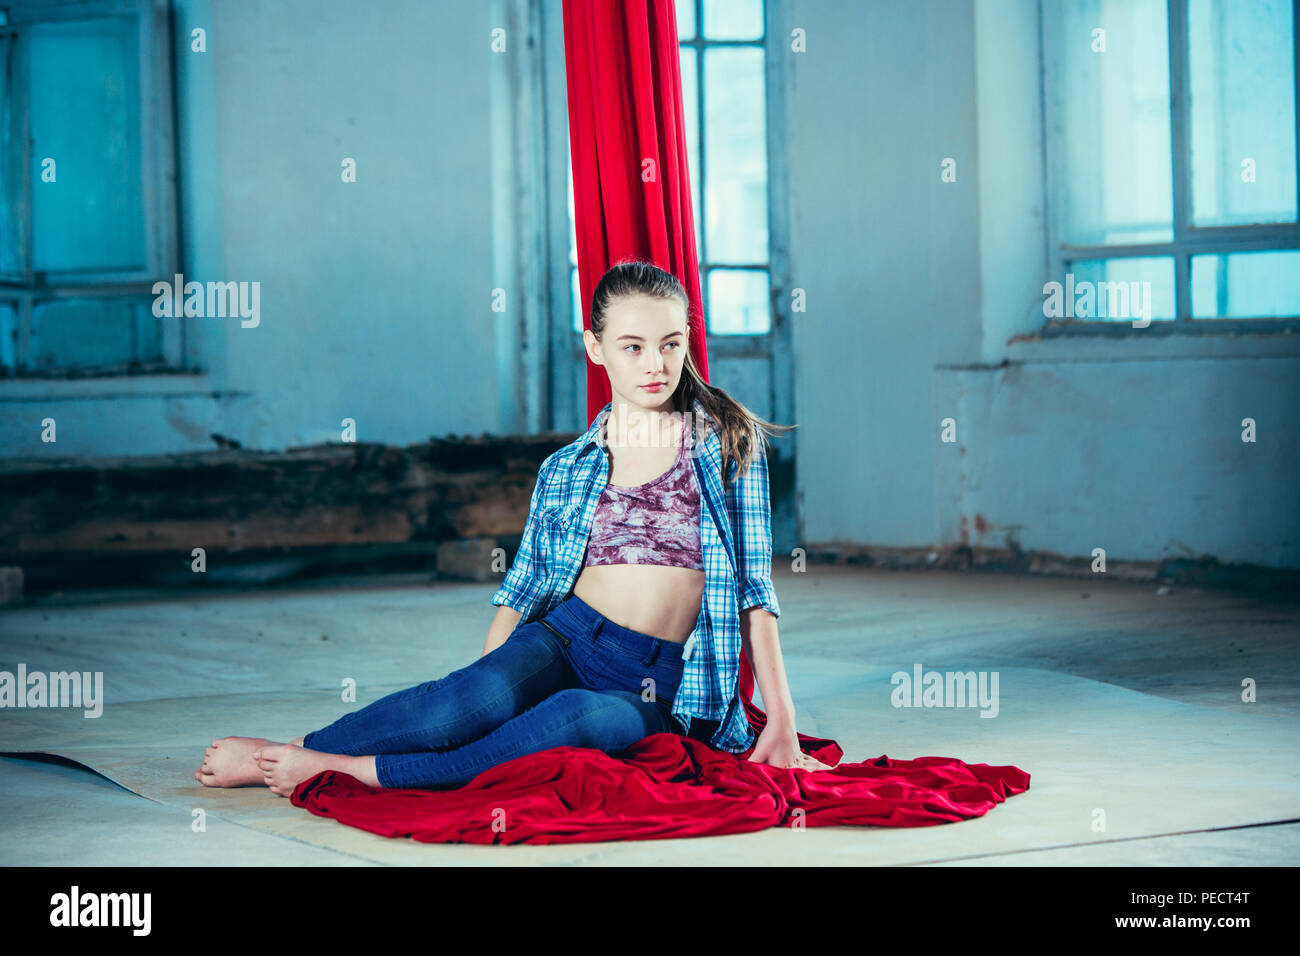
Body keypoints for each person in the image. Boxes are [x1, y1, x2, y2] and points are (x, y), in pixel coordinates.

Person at [196, 259, 831, 795]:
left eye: (670, 343)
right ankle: (292, 752)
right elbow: (523, 587)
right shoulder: (568, 466)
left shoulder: (727, 443)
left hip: (657, 681)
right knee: (464, 705)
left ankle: (351, 772)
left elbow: (754, 591)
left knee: (565, 722)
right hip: (566, 636)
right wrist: (483, 694)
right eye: (632, 347)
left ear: (688, 340)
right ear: (596, 348)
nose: (654, 364)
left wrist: (781, 716)